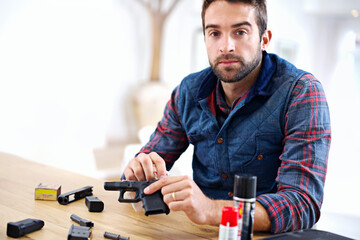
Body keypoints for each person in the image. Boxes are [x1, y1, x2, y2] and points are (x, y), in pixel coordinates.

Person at [123, 0, 331, 234]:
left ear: (264, 39)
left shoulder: (301, 92)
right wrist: (138, 171)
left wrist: (212, 211)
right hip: (202, 233)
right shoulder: (188, 91)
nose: (226, 46)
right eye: (214, 33)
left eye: (240, 32)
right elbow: (147, 164)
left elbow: (302, 205)